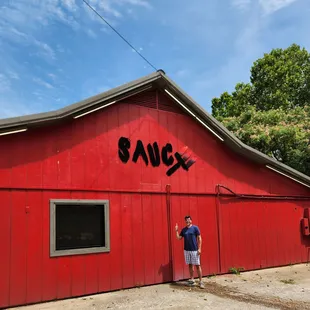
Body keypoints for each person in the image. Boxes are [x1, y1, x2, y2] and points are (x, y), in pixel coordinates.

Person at [175, 215, 204, 288]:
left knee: (197, 265)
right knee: (190, 265)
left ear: (191, 220)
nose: (187, 221)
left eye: (188, 220)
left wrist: (199, 248)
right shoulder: (184, 230)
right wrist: (176, 231)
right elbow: (179, 238)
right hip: (187, 250)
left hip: (195, 250)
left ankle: (201, 281)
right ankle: (192, 279)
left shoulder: (195, 228)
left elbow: (200, 238)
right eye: (186, 220)